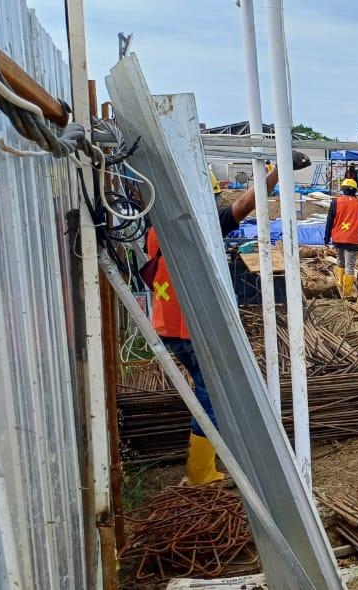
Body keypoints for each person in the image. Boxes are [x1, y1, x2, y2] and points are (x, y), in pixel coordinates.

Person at [141, 151, 311, 486]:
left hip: (167, 321)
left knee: (208, 388)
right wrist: (278, 170)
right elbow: (247, 204)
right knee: (211, 391)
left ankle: (204, 465)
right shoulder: (194, 226)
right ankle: (200, 473)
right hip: (187, 325)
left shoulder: (157, 225)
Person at [324, 178, 358, 297]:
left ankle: (339, 284)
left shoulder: (335, 202)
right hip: (351, 239)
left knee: (340, 260)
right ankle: (347, 293)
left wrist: (326, 238)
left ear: (342, 189)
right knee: (350, 265)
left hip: (338, 238)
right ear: (355, 190)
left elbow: (329, 221)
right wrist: (354, 224)